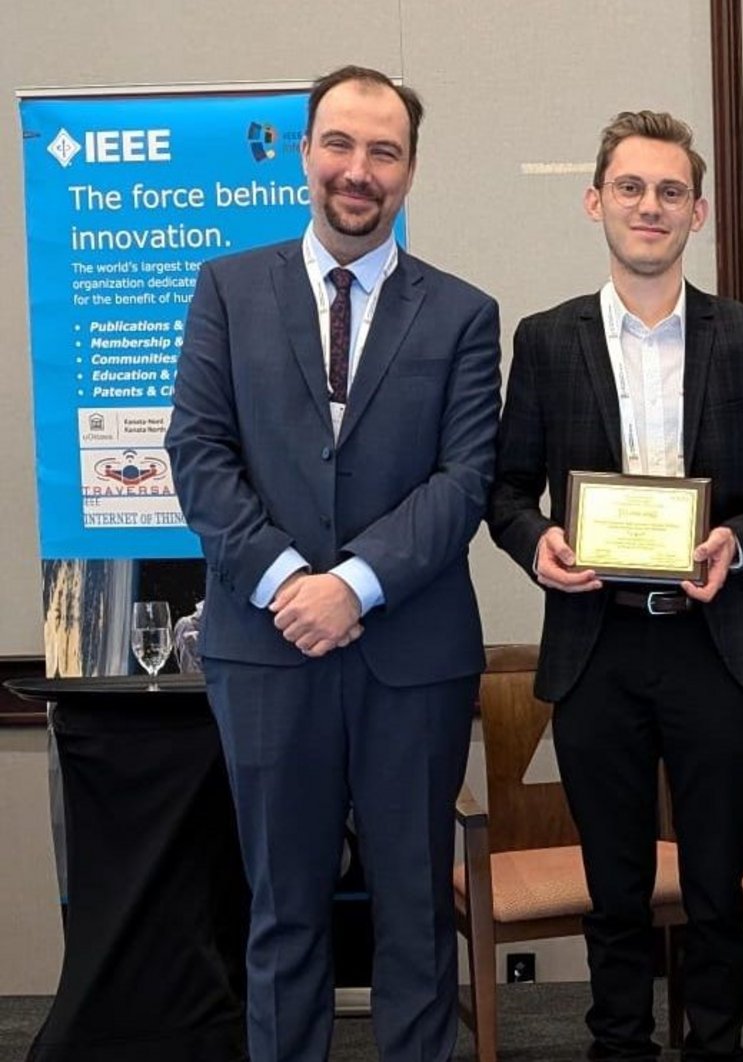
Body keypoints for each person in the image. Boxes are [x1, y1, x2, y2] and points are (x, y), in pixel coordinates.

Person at [164, 65, 500, 1062]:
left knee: (413, 916)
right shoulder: (227, 289)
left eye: (384, 152)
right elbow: (199, 453)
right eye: (342, 146)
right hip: (265, 651)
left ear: (410, 170)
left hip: (415, 657)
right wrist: (286, 585)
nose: (361, 171)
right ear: (306, 153)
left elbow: (466, 478)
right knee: (284, 915)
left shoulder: (464, 313)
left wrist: (352, 584)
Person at [487, 110, 743, 1061]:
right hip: (597, 642)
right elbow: (503, 489)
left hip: (714, 637)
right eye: (630, 187)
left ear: (698, 211)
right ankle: (617, 1042)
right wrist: (538, 541)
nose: (650, 206)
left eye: (671, 190)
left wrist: (736, 543)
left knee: (716, 879)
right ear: (597, 201)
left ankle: (719, 1045)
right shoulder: (547, 340)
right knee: (613, 880)